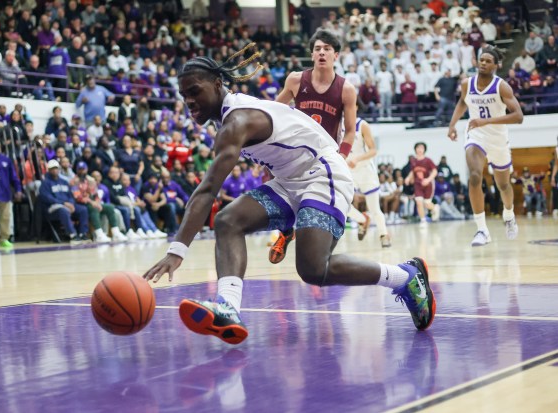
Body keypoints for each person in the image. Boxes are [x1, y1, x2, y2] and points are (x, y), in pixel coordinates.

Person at [143, 49, 436, 345]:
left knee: (313, 269)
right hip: (289, 180)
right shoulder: (229, 117)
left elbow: (207, 189)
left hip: (323, 173)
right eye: (184, 95)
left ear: (218, 84)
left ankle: (405, 276)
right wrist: (286, 217)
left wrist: (177, 251)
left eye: (194, 91)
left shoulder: (237, 121)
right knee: (228, 221)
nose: (189, 101)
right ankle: (228, 307)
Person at [268, 30, 358, 263]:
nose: (321, 52)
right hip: (294, 151)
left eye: (327, 49)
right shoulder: (296, 80)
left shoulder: (346, 89)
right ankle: (286, 231)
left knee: (326, 204)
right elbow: (274, 113)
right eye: (317, 48)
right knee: (272, 180)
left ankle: (324, 245)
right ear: (311, 54)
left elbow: (350, 131)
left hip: (325, 157)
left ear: (335, 56)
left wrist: (342, 156)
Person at [448, 47, 523, 246]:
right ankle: (482, 229)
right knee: (474, 176)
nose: (483, 63)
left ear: (495, 66)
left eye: (488, 61)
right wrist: (452, 124)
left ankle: (509, 214)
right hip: (476, 135)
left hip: (498, 139)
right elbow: (462, 103)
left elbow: (518, 116)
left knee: (504, 185)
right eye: (481, 60)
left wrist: (487, 121)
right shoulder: (467, 84)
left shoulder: (502, 87)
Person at [346, 118, 391, 247]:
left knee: (374, 208)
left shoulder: (362, 125)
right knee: (342, 203)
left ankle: (383, 235)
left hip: (365, 170)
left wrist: (357, 159)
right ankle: (362, 219)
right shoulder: (337, 122)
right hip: (348, 169)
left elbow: (373, 150)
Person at [38, 159, 89, 243]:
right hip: (53, 208)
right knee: (63, 211)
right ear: (49, 170)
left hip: (67, 205)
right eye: (52, 168)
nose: (55, 170)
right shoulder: (45, 183)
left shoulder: (64, 182)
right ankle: (73, 235)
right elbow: (47, 198)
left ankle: (83, 234)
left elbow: (70, 195)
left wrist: (71, 203)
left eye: (56, 168)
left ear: (59, 169)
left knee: (83, 209)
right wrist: (63, 203)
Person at [404, 142, 440, 227]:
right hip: (418, 184)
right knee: (418, 202)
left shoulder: (428, 160)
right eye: (418, 148)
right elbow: (413, 172)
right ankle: (423, 220)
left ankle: (435, 208)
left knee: (427, 204)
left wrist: (428, 179)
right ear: (415, 149)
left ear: (424, 150)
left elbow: (435, 171)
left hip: (428, 184)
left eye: (422, 148)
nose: (420, 150)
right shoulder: (413, 161)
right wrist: (408, 178)